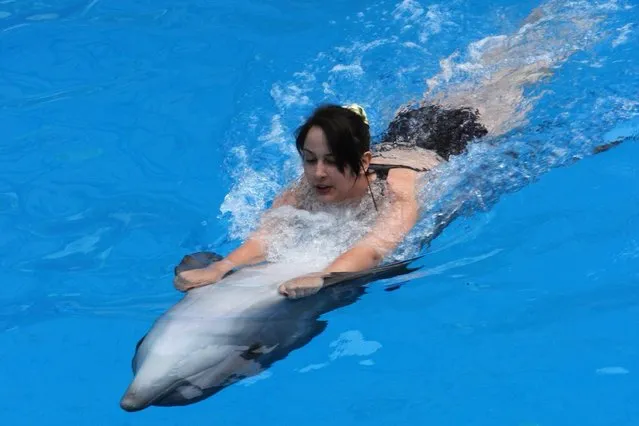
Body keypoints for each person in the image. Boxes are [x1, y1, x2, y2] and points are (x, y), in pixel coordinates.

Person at [173, 102, 488, 299]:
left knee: (508, 80)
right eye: (310, 160)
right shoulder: (302, 191)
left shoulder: (396, 193)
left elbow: (374, 248)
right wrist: (222, 268)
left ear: (363, 162)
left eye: (331, 161)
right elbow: (266, 236)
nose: (318, 173)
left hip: (458, 135)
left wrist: (325, 276)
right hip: (401, 132)